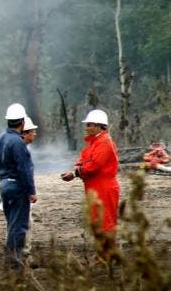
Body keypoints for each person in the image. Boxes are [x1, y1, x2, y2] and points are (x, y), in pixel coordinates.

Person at [60, 109, 120, 264]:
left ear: (100, 126)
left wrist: (74, 173)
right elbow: (83, 160)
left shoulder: (105, 142)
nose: (86, 127)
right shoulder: (95, 142)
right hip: (95, 187)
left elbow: (94, 165)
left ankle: (105, 256)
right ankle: (106, 254)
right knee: (98, 220)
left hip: (104, 187)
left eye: (90, 124)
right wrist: (78, 169)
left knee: (105, 221)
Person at [0, 103, 37, 269]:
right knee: (18, 226)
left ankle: (10, 259)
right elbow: (24, 169)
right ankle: (14, 262)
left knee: (11, 224)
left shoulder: (0, 138)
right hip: (17, 187)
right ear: (22, 121)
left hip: (4, 185)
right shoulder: (17, 142)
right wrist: (31, 191)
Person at [20, 116, 38, 262]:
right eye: (33, 131)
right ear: (25, 133)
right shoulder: (21, 149)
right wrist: (31, 191)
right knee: (26, 222)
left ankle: (17, 253)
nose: (35, 134)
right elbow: (25, 172)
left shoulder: (12, 144)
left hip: (11, 189)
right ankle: (24, 254)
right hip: (20, 191)